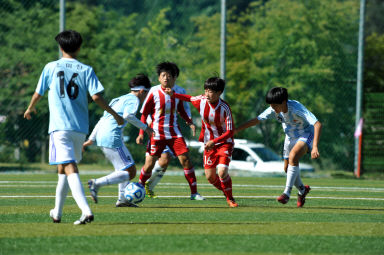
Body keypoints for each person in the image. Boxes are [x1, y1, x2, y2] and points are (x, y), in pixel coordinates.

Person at [24, 30, 124, 224]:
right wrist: (115, 115)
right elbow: (96, 97)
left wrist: (30, 108)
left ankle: (86, 210)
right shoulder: (86, 69)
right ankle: (57, 212)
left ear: (60, 47)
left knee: (69, 166)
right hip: (80, 128)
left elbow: (38, 93)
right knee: (63, 168)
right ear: (79, 47)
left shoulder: (51, 67)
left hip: (60, 127)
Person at [235, 87, 322, 207]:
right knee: (287, 168)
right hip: (289, 137)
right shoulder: (273, 109)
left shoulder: (296, 108)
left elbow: (317, 124)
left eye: (275, 105)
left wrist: (315, 147)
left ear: (284, 101)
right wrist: (236, 130)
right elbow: (257, 120)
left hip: (305, 134)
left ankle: (286, 193)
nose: (272, 108)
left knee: (293, 156)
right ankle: (302, 190)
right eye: (271, 105)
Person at [165, 77, 238, 207]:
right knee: (210, 177)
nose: (207, 94)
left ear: (219, 92)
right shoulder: (201, 100)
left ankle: (230, 198)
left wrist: (214, 141)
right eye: (206, 90)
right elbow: (188, 98)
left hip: (224, 143)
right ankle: (226, 190)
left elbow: (230, 132)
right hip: (208, 144)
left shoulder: (225, 108)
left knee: (222, 172)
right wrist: (173, 94)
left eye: (211, 91)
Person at [136, 62, 205, 200]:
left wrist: (189, 121)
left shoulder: (179, 91)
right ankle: (138, 189)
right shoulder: (154, 91)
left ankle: (194, 193)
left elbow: (181, 109)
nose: (166, 78)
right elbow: (144, 113)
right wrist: (141, 133)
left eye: (169, 76)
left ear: (175, 78)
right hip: (156, 133)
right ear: (159, 78)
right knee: (149, 165)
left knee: (185, 160)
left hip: (174, 133)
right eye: (163, 75)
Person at [83, 74, 153, 207]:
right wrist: (146, 128)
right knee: (130, 171)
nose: (146, 98)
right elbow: (128, 115)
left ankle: (123, 200)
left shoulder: (117, 99)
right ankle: (96, 183)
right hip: (112, 136)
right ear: (142, 91)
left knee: (122, 169)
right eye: (147, 94)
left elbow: (102, 119)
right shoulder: (134, 100)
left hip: (102, 135)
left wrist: (91, 139)